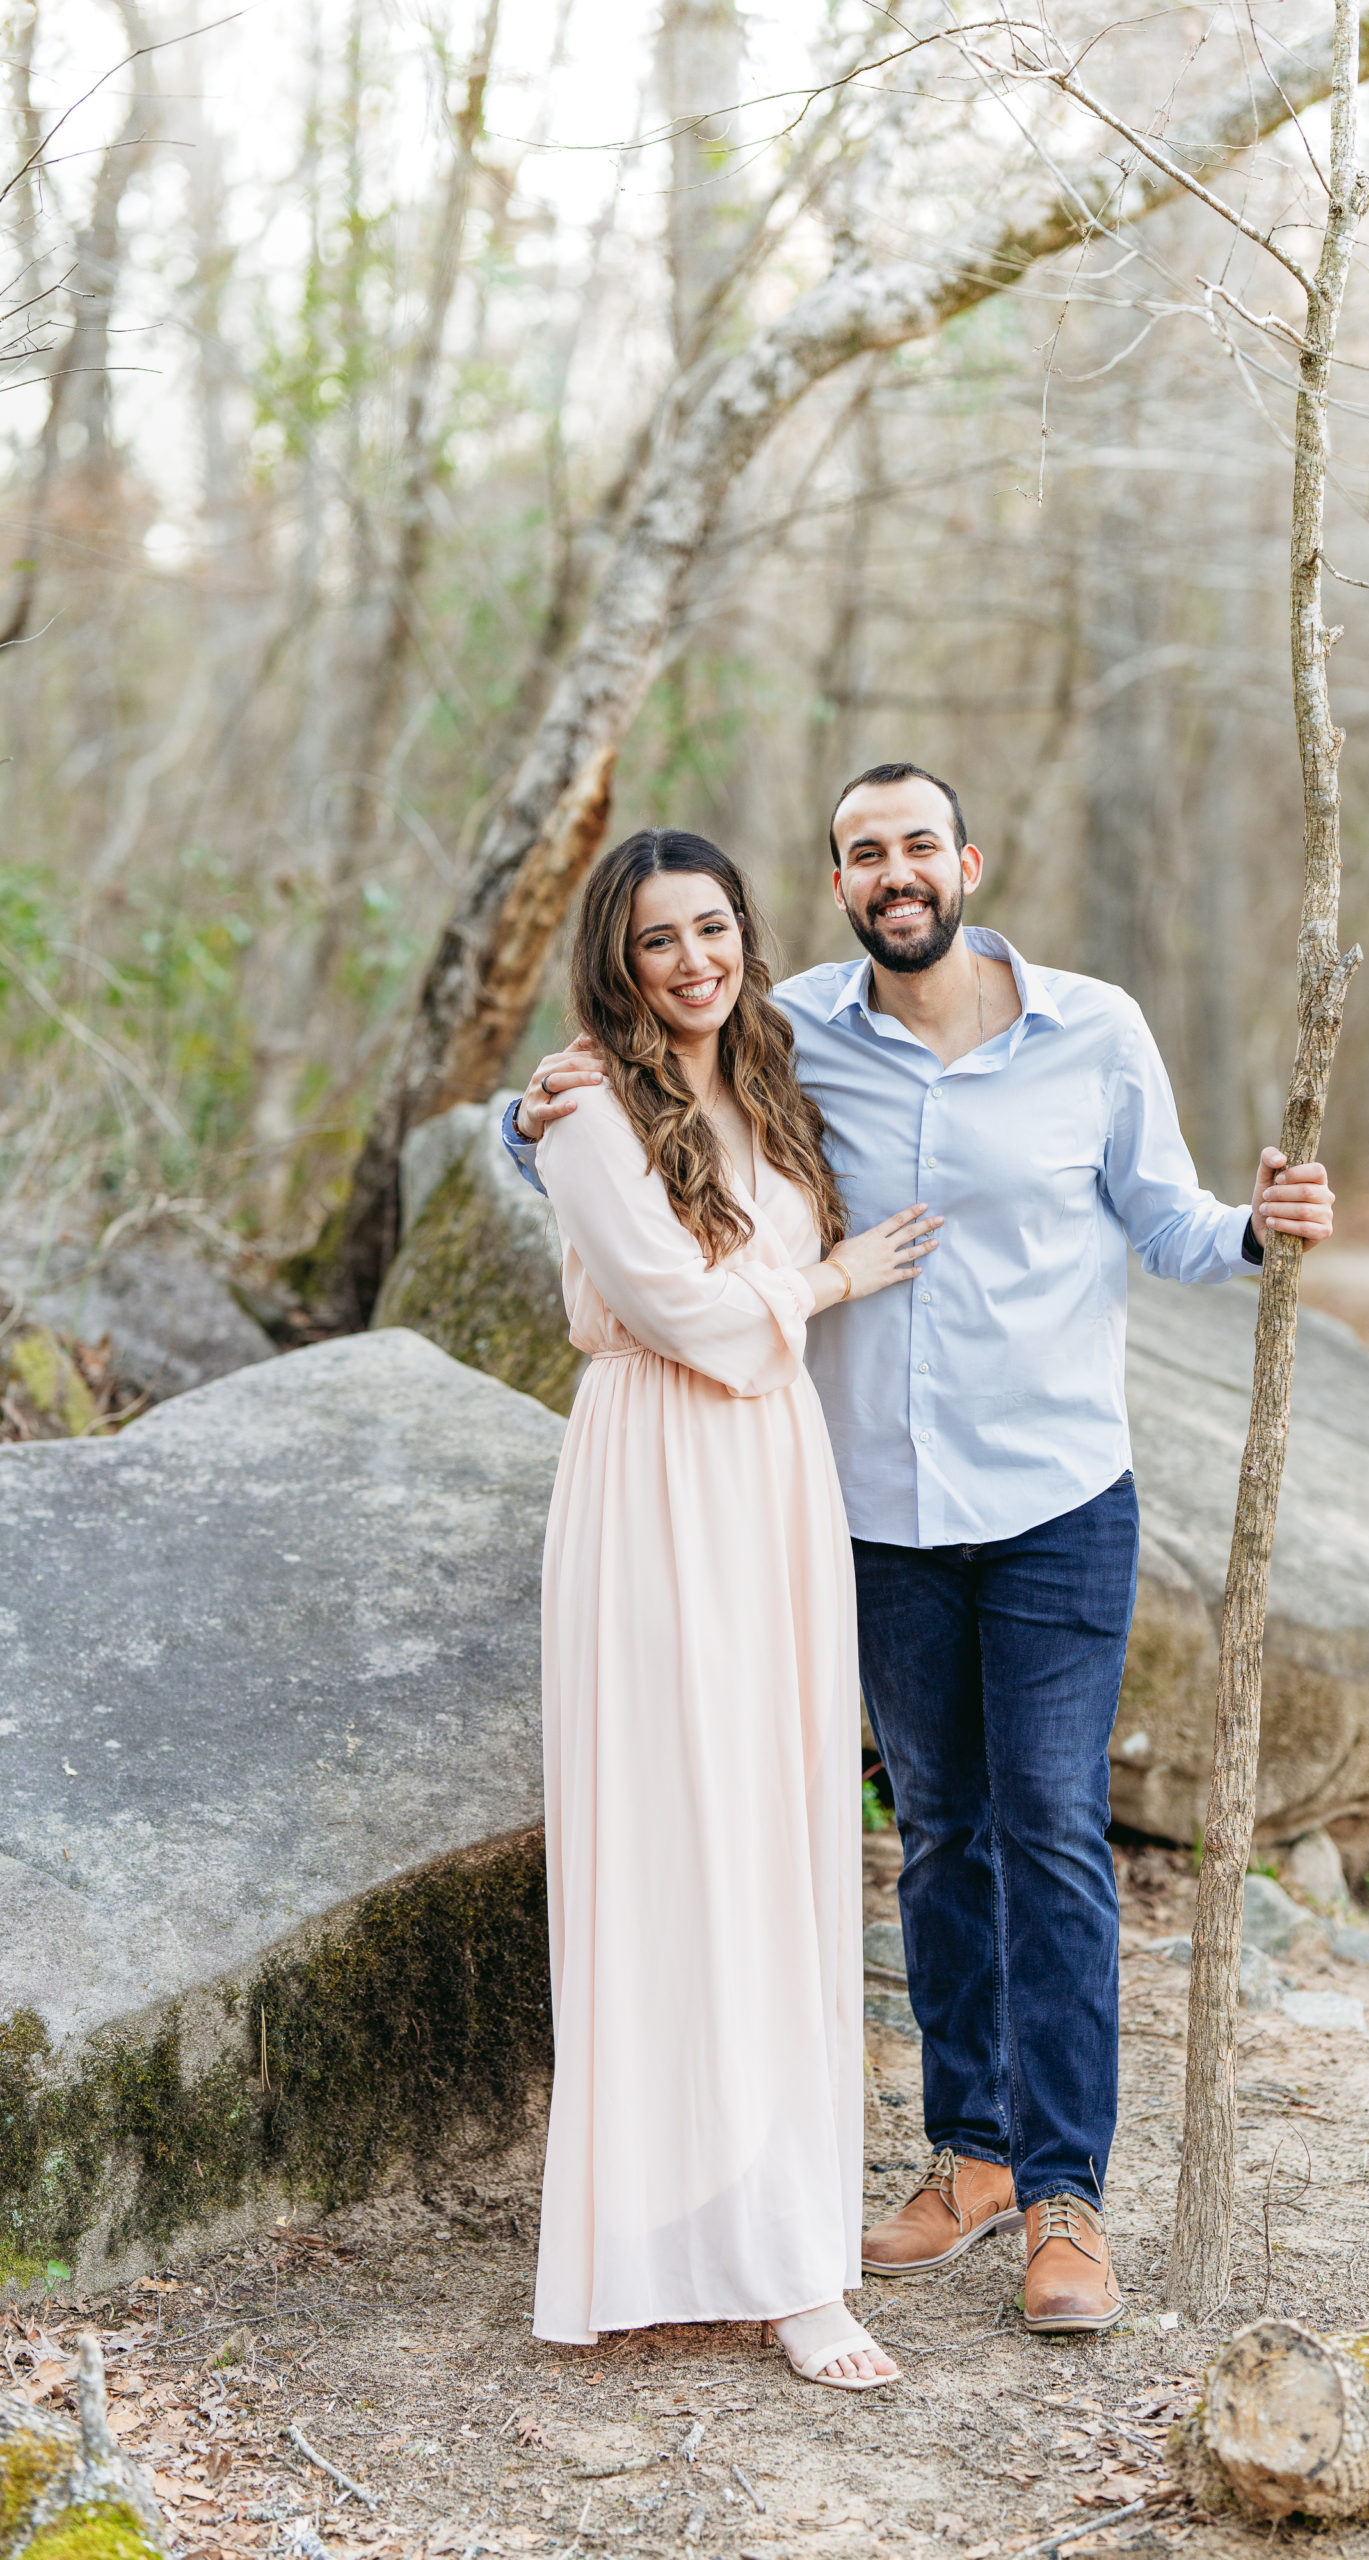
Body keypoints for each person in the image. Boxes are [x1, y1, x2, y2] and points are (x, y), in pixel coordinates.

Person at [509, 764, 1334, 2335]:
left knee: (1050, 1832)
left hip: (1052, 1507)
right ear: (835, 884)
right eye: (859, 853)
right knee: (940, 1834)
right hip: (870, 1513)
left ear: (967, 861)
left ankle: (1064, 2196)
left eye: (914, 846)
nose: (893, 873)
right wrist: (521, 1109)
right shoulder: (789, 1029)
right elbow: (635, 1102)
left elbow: (1162, 1219)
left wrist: (1254, 1223)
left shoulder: (1094, 1029)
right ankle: (963, 2158)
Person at [528, 822, 944, 2389]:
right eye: (657, 941)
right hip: (656, 1480)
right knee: (670, 1847)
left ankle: (783, 2246)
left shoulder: (766, 1071)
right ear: (615, 961)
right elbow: (689, 1315)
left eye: (713, 930)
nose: (692, 962)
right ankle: (664, 2242)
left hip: (776, 1481)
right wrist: (838, 1282)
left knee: (778, 1846)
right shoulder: (580, 1107)